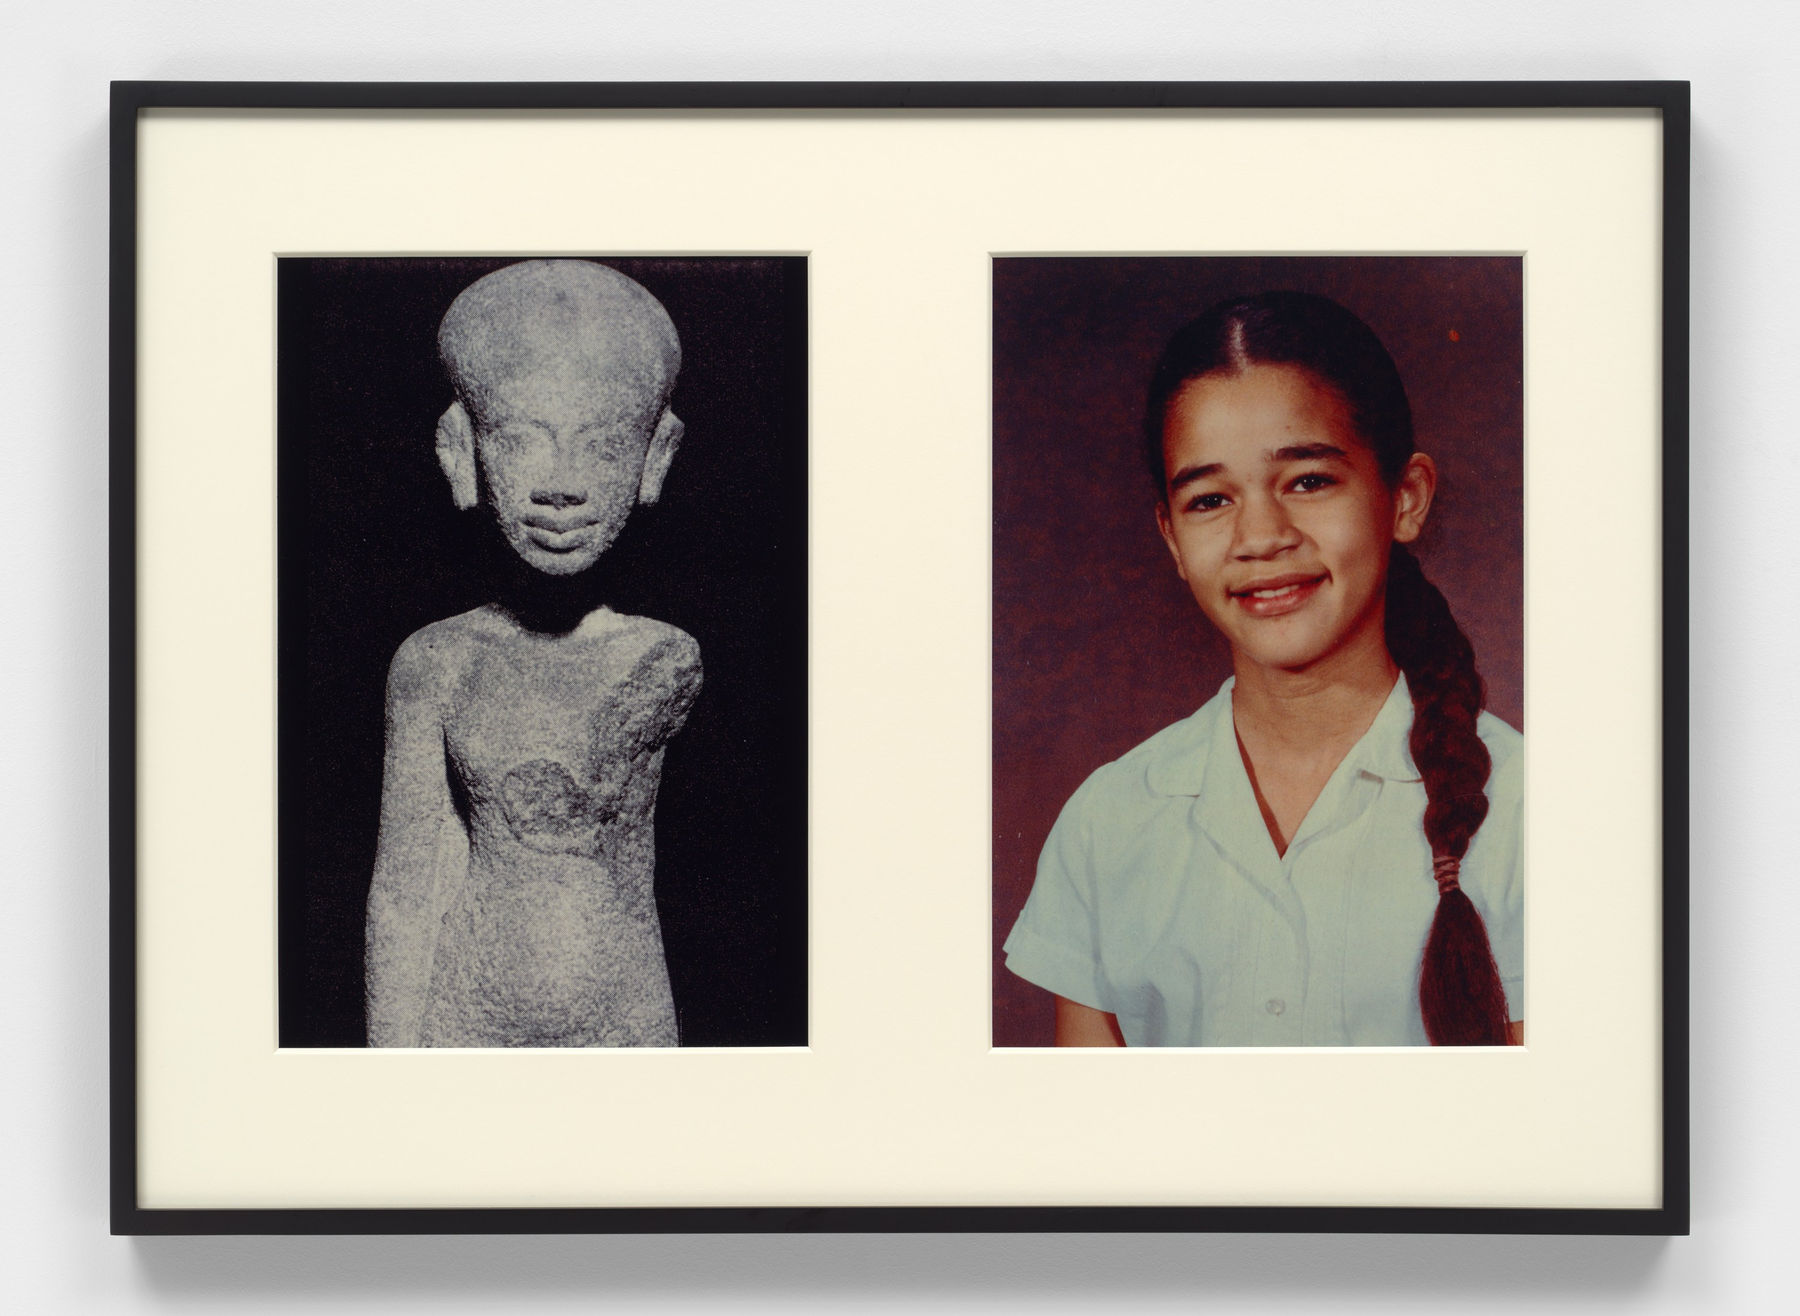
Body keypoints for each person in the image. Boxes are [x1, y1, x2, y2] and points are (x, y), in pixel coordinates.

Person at [1002, 290, 1524, 1047]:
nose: (1260, 536)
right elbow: (1098, 1151)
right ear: (1173, 538)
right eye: (1210, 499)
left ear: (1404, 498)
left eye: (1308, 481)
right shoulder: (1107, 822)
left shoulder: (1530, 813)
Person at [364, 260, 701, 1047]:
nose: (562, 487)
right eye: (522, 441)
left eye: (604, 445)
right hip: (462, 1019)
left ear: (655, 458)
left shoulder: (664, 659)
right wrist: (383, 1087)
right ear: (462, 449)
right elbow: (407, 893)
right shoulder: (438, 663)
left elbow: (634, 876)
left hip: (623, 1021)